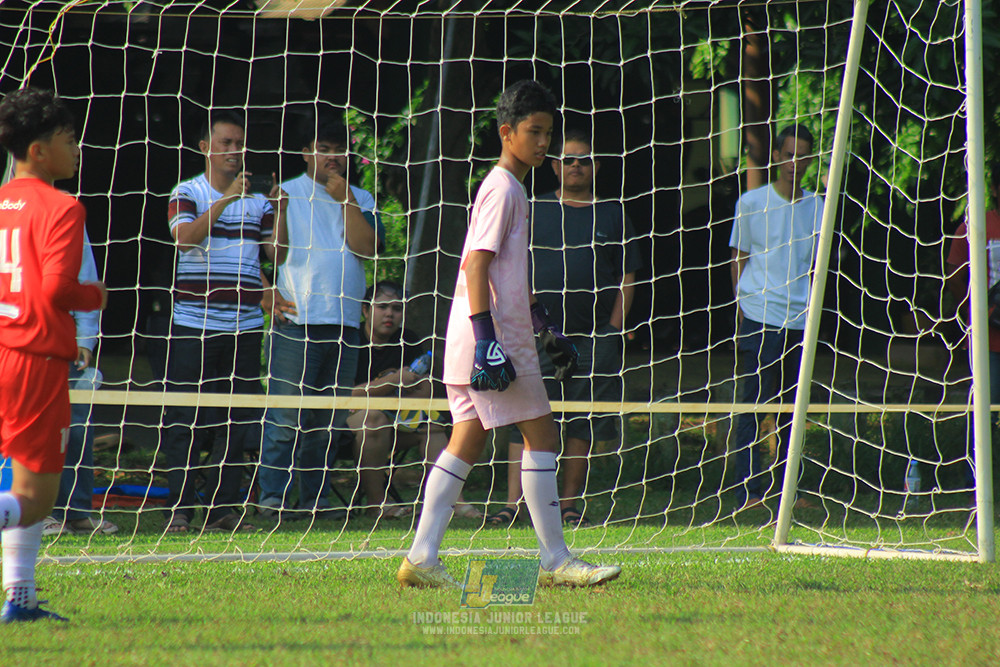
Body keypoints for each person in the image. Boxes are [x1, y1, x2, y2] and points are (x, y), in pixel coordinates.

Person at [395, 80, 621, 589]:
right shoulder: (503, 188)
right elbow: (476, 266)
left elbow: (508, 274)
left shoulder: (512, 188)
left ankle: (421, 557)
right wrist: (487, 341)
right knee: (543, 436)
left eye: (548, 133)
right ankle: (556, 560)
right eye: (534, 131)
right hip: (492, 343)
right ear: (506, 133)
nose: (543, 143)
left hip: (482, 339)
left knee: (465, 441)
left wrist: (543, 326)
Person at [491, 129, 641, 528]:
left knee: (582, 421)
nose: (576, 166)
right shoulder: (532, 208)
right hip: (535, 335)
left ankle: (569, 504)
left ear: (596, 167)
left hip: (594, 338)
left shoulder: (612, 213)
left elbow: (628, 275)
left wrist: (612, 330)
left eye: (584, 160)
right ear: (555, 166)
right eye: (568, 159)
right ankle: (514, 504)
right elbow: (510, 267)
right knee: (525, 415)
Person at [0, 87, 107, 622]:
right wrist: (95, 295)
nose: (77, 149)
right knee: (37, 499)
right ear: (39, 150)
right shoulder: (62, 207)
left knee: (15, 483)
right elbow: (56, 288)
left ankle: (19, 597)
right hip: (34, 359)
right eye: (69, 139)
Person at [163, 110, 287, 533]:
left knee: (235, 421)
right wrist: (226, 201)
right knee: (184, 418)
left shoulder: (258, 201)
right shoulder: (187, 191)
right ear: (205, 148)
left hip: (245, 327)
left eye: (240, 143)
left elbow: (277, 255)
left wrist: (280, 213)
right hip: (193, 325)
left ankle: (223, 509)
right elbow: (184, 239)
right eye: (227, 143)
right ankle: (179, 509)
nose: (236, 150)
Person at [257, 121, 381, 521]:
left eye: (339, 150)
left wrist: (346, 200)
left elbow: (367, 248)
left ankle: (316, 500)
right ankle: (272, 498)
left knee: (327, 421)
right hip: (296, 321)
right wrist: (280, 211)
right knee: (286, 416)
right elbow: (272, 254)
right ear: (306, 152)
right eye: (323, 148)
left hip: (345, 323)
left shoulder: (361, 196)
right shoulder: (285, 192)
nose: (332, 157)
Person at [729, 124, 823, 508]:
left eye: (802, 156)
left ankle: (788, 492)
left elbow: (816, 266)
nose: (794, 163)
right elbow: (738, 256)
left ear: (810, 161)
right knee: (752, 405)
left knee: (792, 409)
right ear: (776, 157)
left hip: (800, 320)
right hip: (758, 315)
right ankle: (747, 491)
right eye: (788, 155)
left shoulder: (818, 206)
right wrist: (741, 306)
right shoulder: (752, 202)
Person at [347, 281, 481, 520]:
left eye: (397, 308)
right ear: (366, 310)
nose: (390, 314)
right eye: (383, 307)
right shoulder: (350, 339)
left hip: (397, 422)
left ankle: (453, 502)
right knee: (375, 419)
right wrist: (394, 381)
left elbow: (425, 391)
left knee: (433, 425)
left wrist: (380, 391)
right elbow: (347, 395)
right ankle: (377, 504)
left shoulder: (408, 339)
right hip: (352, 423)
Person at [41, 232, 118, 536]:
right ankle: (35, 512)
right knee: (26, 426)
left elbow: (86, 275)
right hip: (15, 331)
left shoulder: (66, 215)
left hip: (64, 333)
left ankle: (76, 512)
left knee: (76, 426)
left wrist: (86, 336)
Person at [945, 163, 1000, 501]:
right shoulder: (976, 224)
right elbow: (954, 273)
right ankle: (975, 486)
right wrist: (975, 310)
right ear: (994, 189)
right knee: (983, 411)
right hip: (987, 341)